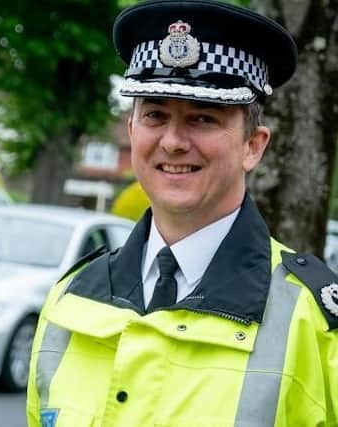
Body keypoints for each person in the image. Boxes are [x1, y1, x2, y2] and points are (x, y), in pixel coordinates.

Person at [27, 1, 338, 426]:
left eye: (203, 119)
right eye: (155, 114)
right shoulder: (70, 298)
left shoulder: (313, 322)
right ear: (132, 130)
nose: (173, 141)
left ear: (254, 146)